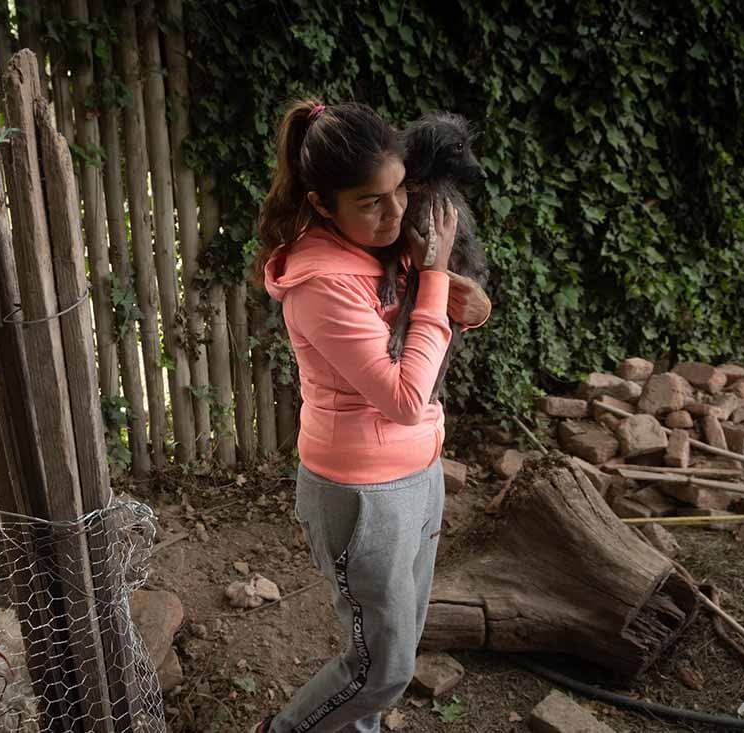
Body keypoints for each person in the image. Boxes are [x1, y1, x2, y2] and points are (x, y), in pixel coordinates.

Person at [250, 99, 491, 733]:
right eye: (370, 202)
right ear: (323, 204)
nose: (394, 215)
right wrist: (435, 279)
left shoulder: (388, 242)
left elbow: (444, 316)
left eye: (398, 194)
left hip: (420, 469)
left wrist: (464, 297)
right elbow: (406, 396)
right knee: (380, 670)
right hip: (362, 491)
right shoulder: (322, 284)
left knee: (397, 647)